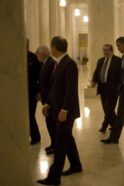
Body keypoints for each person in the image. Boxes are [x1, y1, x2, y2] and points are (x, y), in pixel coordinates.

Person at [37, 37, 82, 185]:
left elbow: (71, 90)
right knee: (66, 138)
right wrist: (48, 104)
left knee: (60, 143)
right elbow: (54, 88)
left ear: (54, 48)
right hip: (57, 108)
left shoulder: (69, 64)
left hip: (65, 111)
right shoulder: (59, 63)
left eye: (51, 47)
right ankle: (76, 165)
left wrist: (64, 109)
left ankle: (54, 177)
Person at [101, 37, 124, 144]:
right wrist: (121, 86)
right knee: (120, 116)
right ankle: (114, 138)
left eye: (119, 46)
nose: (118, 48)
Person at [92, 44, 122, 133]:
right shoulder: (100, 61)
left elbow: (120, 75)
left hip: (113, 89)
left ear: (111, 51)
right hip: (102, 88)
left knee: (109, 109)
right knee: (106, 109)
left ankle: (104, 125)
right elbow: (97, 72)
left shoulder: (118, 61)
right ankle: (115, 125)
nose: (105, 52)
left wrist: (119, 87)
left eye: (107, 50)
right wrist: (94, 81)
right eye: (104, 50)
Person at [36, 46, 57, 154]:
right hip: (47, 100)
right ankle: (53, 144)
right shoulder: (45, 62)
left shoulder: (51, 63)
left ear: (43, 53)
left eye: (37, 52)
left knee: (52, 124)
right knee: (49, 124)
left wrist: (48, 102)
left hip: (51, 101)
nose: (36, 54)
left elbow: (52, 85)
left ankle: (55, 145)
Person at [27, 39, 42, 145]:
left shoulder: (33, 58)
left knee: (30, 115)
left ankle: (35, 137)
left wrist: (38, 92)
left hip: (32, 92)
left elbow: (39, 76)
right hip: (20, 93)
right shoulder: (15, 57)